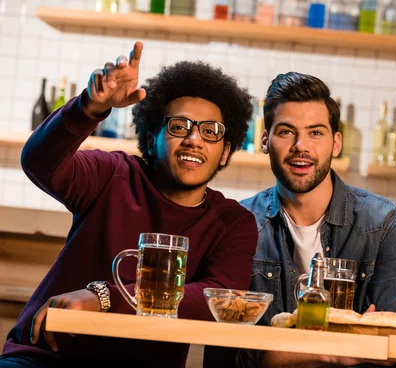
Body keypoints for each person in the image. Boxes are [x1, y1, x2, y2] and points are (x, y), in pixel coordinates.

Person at [0, 42, 258, 367]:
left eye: (211, 131)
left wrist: (104, 297)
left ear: (224, 151)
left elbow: (218, 298)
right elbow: (40, 162)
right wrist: (88, 108)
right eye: (179, 126)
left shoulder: (233, 222)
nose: (194, 139)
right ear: (152, 139)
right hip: (43, 359)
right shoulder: (114, 174)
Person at [235, 72, 396, 367]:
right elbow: (231, 352)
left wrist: (276, 355)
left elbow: (389, 353)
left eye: (315, 132)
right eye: (286, 132)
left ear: (336, 143)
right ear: (265, 140)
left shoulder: (388, 226)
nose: (301, 146)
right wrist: (337, 351)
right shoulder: (238, 224)